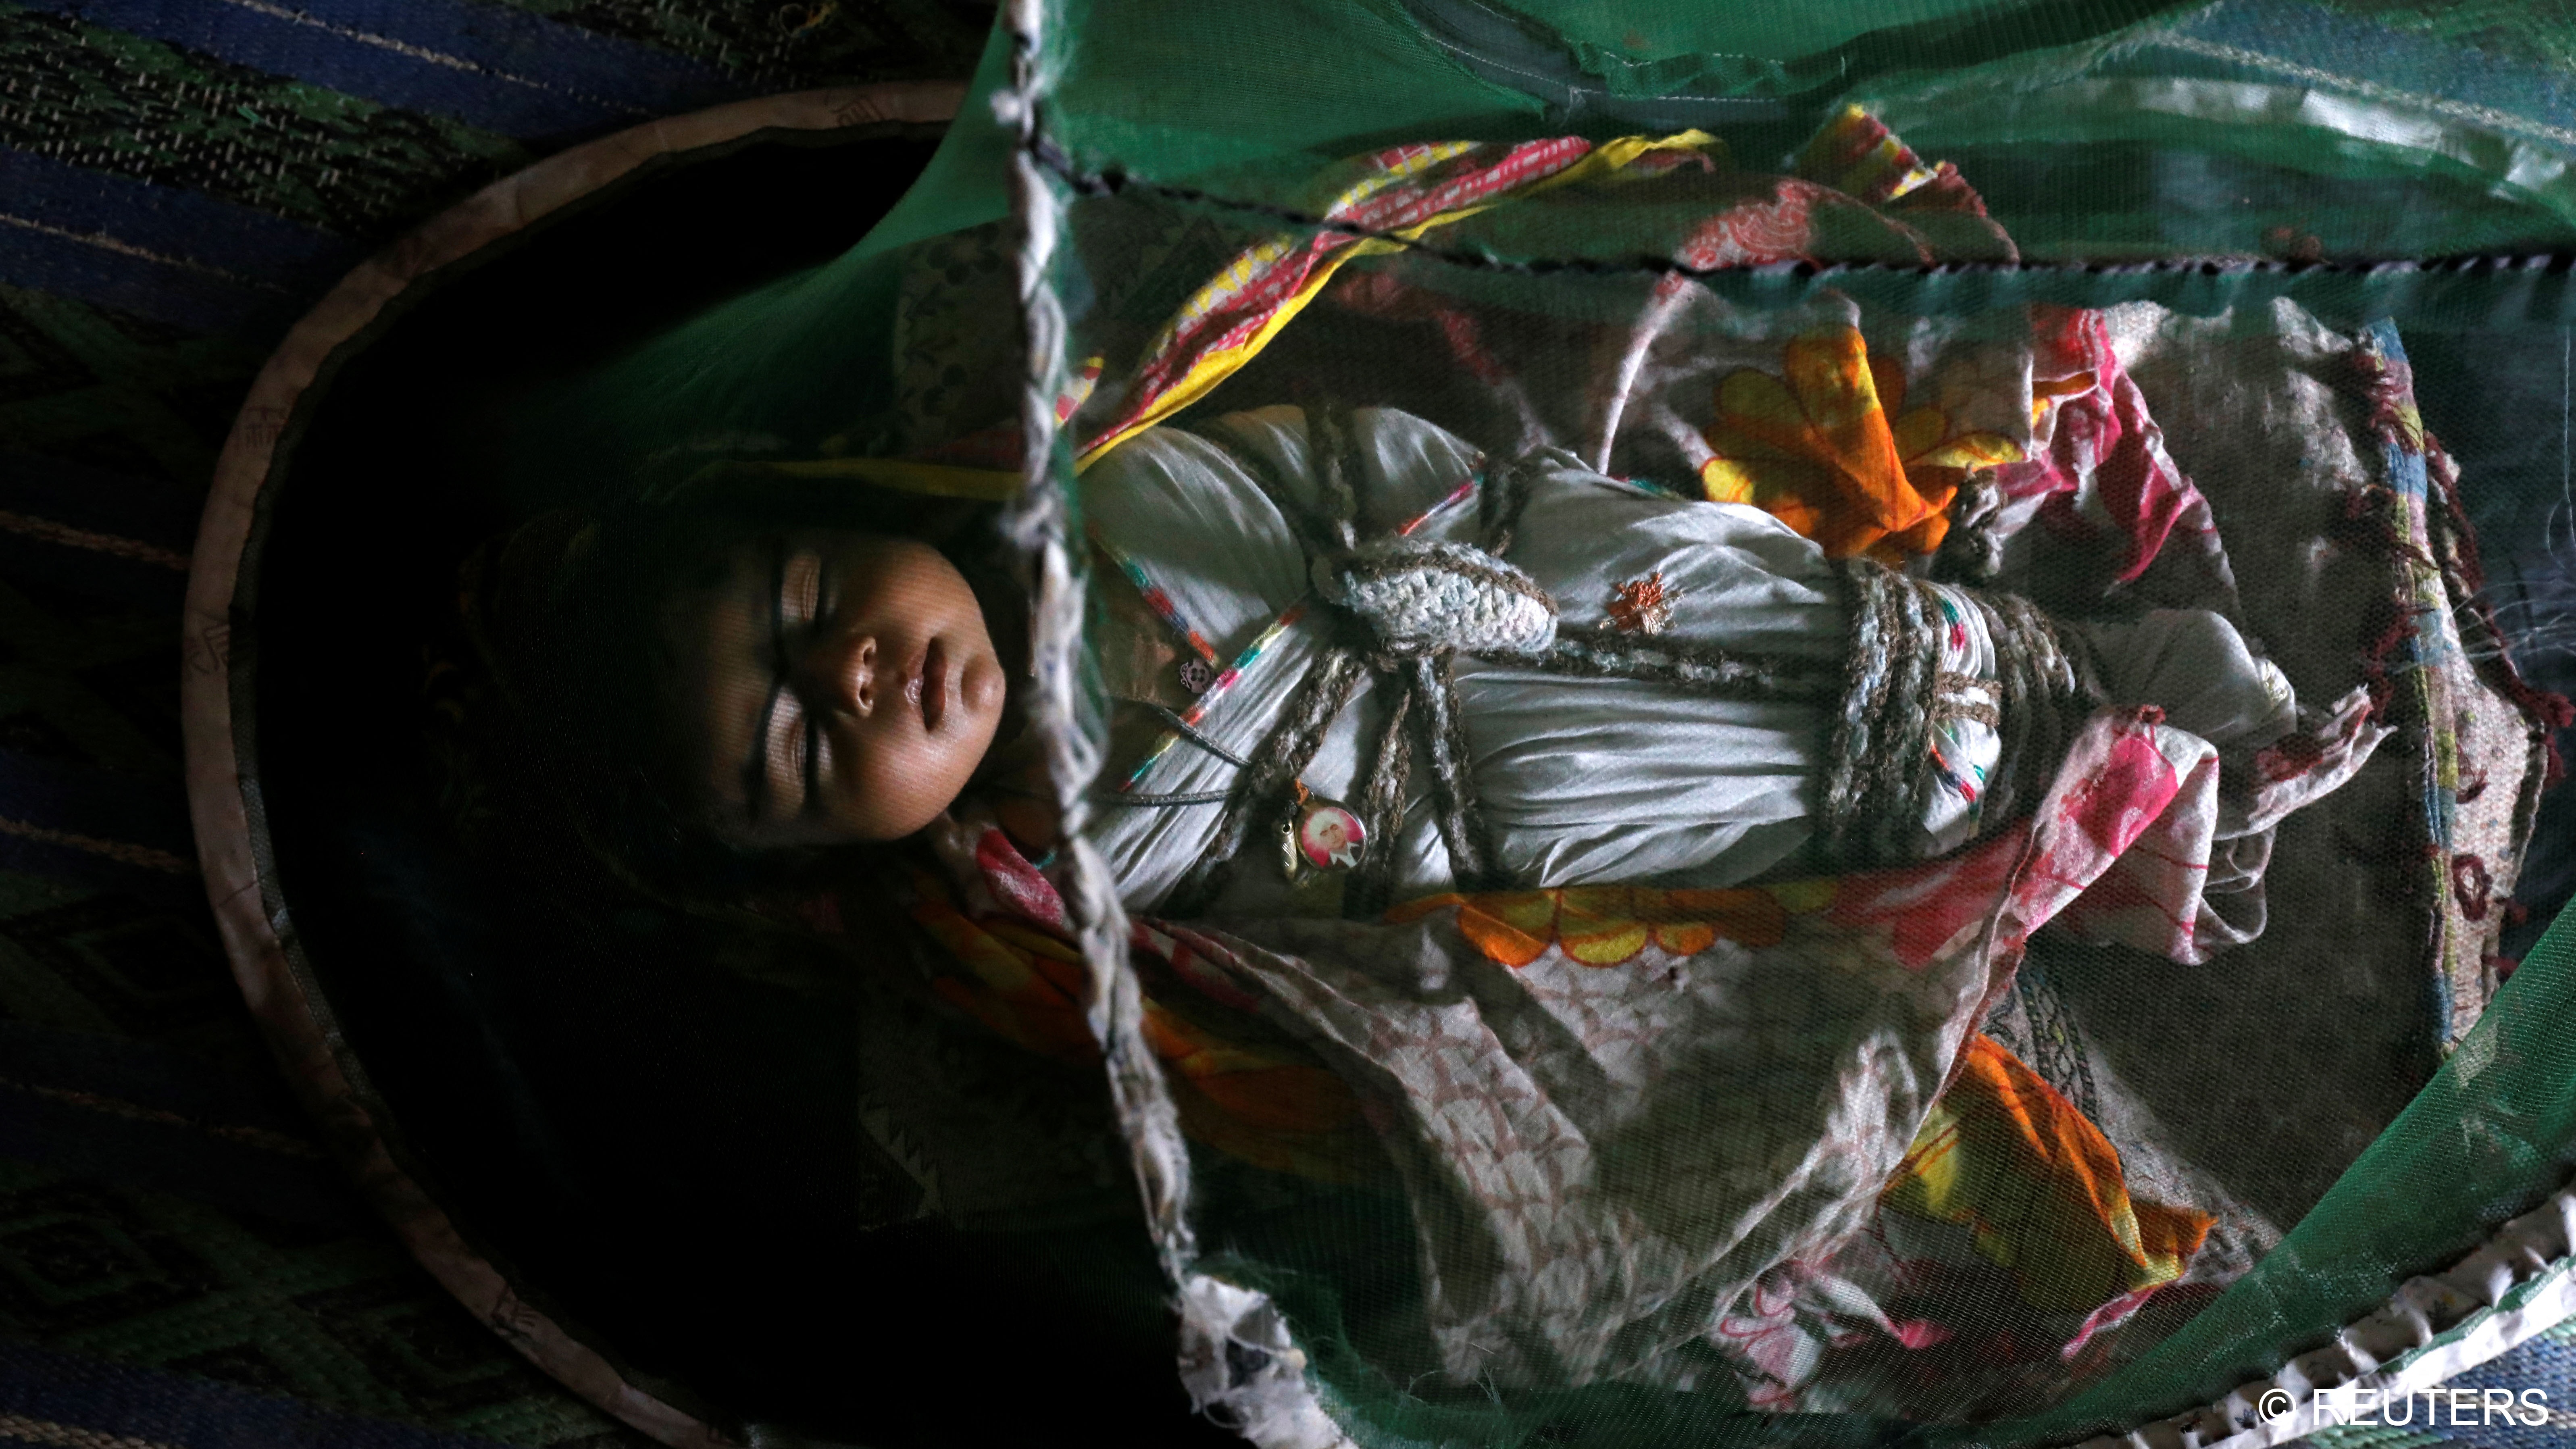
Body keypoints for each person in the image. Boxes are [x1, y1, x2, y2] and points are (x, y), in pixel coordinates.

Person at [541, 399, 2326, 935]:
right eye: (795, 745)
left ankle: (2110, 670)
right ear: (821, 855)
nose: (850, 675)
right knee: (1847, 809)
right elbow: (1307, 970)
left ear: (855, 511)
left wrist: (1442, 565)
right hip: (1525, 811)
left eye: (806, 600)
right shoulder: (1059, 893)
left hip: (1538, 602)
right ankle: (2104, 835)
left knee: (1857, 633)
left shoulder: (1124, 490)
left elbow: (1362, 464)